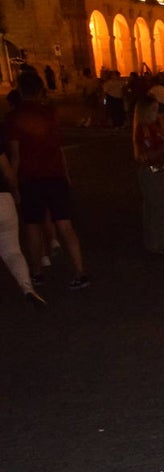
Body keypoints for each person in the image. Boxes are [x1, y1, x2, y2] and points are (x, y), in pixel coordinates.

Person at [5, 71, 89, 289]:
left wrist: (13, 185)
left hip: (30, 177)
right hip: (54, 174)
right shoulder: (50, 113)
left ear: (20, 89)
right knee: (64, 224)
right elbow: (57, 147)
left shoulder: (14, 117)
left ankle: (36, 272)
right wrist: (66, 174)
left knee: (32, 226)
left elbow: (15, 155)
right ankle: (80, 271)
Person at [0, 128, 45, 305]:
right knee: (12, 251)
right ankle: (27, 288)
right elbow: (7, 172)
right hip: (3, 199)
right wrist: (15, 191)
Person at [132, 95, 164, 255]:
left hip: (158, 168)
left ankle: (155, 242)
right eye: (154, 109)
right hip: (151, 170)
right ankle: (162, 243)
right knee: (158, 207)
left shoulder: (154, 125)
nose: (158, 113)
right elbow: (149, 153)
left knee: (155, 206)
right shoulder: (144, 128)